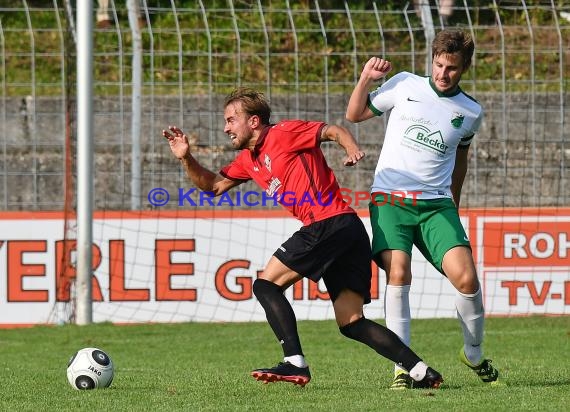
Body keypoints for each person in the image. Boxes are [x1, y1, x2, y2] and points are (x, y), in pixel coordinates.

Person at [163, 87, 443, 388]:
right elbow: (214, 186)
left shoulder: (284, 133)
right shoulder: (248, 160)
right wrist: (186, 157)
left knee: (265, 285)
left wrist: (351, 148)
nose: (225, 127)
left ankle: (294, 362)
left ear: (254, 121)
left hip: (327, 224)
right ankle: (421, 372)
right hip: (347, 229)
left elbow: (331, 130)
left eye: (232, 120)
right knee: (352, 323)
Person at [346, 29, 499, 389]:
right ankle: (403, 366)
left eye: (452, 68)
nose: (443, 73)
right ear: (431, 60)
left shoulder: (470, 111)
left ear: (465, 68)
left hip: (436, 207)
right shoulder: (404, 85)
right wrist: (366, 77)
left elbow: (461, 159)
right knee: (397, 273)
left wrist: (454, 203)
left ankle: (474, 354)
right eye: (439, 64)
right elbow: (354, 115)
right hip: (390, 201)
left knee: (467, 279)